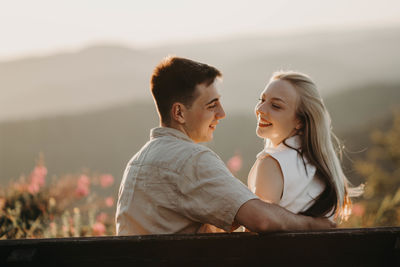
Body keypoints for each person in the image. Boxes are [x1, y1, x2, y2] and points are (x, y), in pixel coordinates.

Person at [115, 57, 335, 235]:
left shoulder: (136, 163)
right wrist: (314, 225)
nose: (222, 114)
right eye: (212, 106)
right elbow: (263, 220)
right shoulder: (192, 160)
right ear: (179, 113)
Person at [248, 71, 363, 222]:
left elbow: (258, 226)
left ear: (300, 121)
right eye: (261, 99)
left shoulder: (271, 164)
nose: (260, 109)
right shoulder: (323, 167)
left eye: (275, 106)